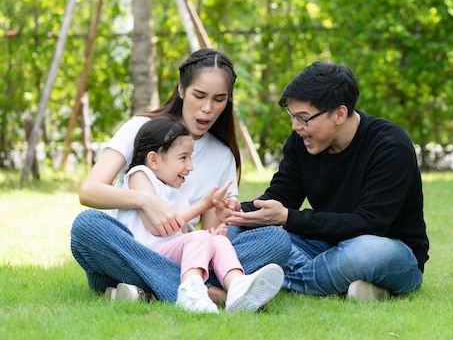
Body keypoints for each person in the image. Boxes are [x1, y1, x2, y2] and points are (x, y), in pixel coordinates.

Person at [70, 48, 292, 305]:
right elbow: (89, 191)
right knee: (87, 226)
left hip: (183, 252)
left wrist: (221, 220)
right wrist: (145, 201)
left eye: (219, 99)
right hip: (131, 247)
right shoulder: (141, 129)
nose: (207, 109)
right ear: (181, 89)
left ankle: (154, 287)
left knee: (276, 240)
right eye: (199, 96)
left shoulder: (223, 156)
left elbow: (208, 234)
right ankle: (210, 292)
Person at [218, 61, 429, 301]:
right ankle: (346, 285)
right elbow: (282, 195)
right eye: (293, 116)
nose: (296, 126)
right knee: (234, 230)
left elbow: (370, 223)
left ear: (339, 113)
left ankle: (274, 281)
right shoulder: (302, 140)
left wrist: (288, 217)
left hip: (390, 252)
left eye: (304, 118)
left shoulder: (390, 146)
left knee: (364, 252)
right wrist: (241, 211)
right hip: (319, 247)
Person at [117, 115, 283, 313]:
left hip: (169, 257)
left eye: (190, 158)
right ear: (154, 159)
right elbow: (157, 226)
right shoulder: (139, 175)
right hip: (146, 255)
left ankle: (237, 285)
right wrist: (203, 206)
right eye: (183, 158)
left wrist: (211, 243)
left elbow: (183, 238)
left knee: (220, 242)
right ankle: (191, 291)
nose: (190, 166)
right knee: (201, 237)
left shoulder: (177, 196)